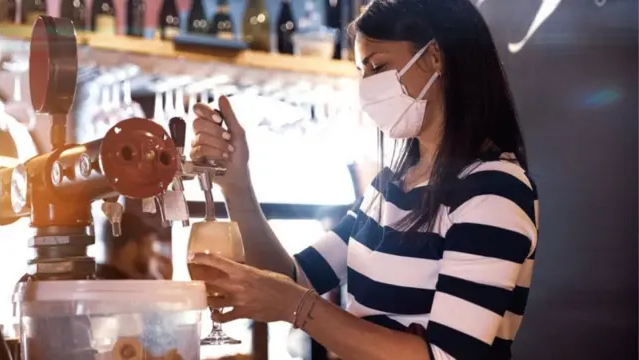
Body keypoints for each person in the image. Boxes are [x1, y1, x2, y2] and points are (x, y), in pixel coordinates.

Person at [188, 0, 539, 359]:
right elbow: (294, 278)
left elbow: (446, 355)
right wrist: (236, 184)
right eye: (362, 71)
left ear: (436, 57)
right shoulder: (388, 188)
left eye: (378, 67)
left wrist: (297, 307)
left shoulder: (495, 191)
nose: (367, 88)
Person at [97, 212, 172, 280]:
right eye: (147, 246)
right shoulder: (124, 287)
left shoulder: (99, 278)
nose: (152, 254)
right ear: (130, 246)